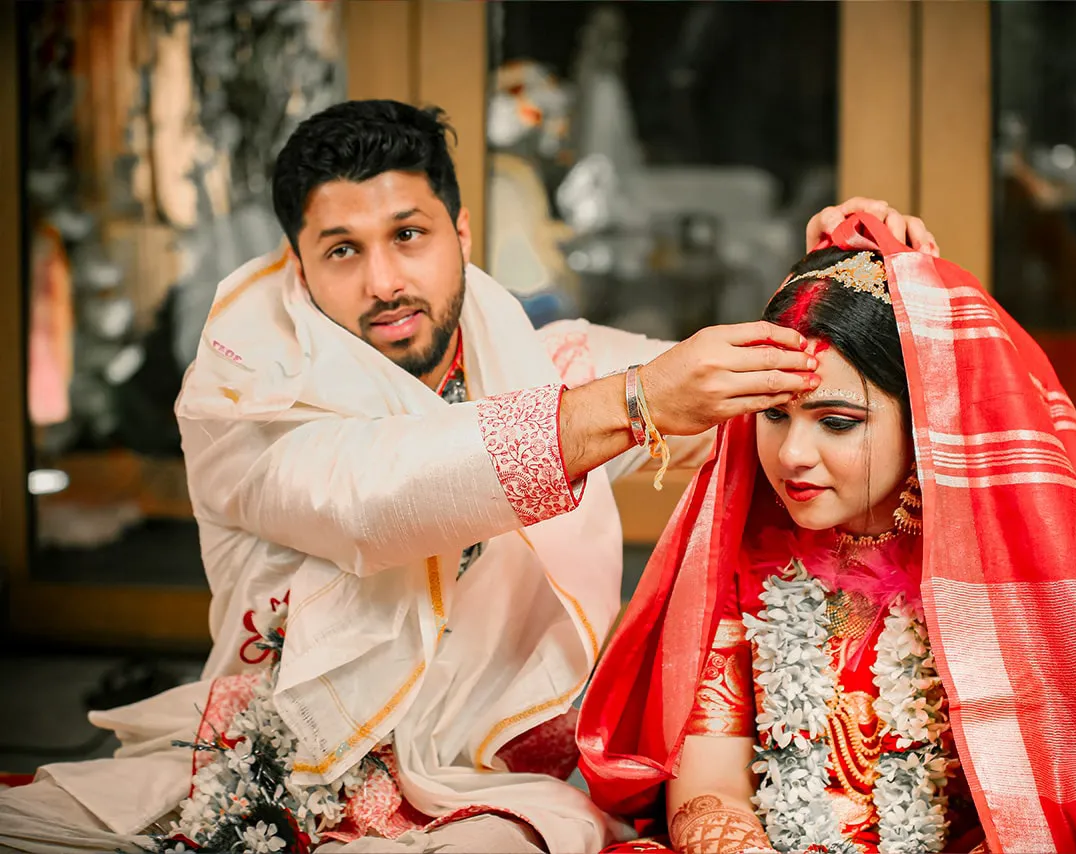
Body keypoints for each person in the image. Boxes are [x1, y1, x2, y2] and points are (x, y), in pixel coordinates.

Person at [0, 100, 937, 854]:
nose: (383, 281)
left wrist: (855, 274)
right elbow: (375, 498)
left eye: (408, 235)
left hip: (484, 788)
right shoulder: (250, 401)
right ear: (299, 266)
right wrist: (636, 400)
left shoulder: (550, 365)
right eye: (342, 250)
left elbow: (782, 405)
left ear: (462, 230)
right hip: (280, 768)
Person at [578, 212, 1076, 853]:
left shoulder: (994, 580)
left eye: (836, 422)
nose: (793, 455)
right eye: (774, 416)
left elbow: (1047, 813)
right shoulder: (743, 561)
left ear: (927, 421)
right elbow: (708, 794)